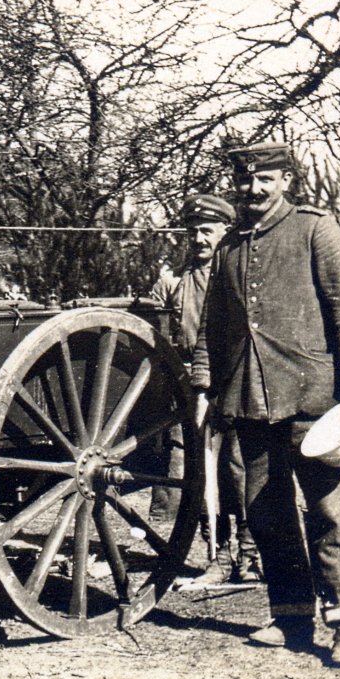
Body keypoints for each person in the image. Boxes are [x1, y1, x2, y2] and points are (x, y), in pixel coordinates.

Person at [192, 141, 340, 667]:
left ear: (286, 181)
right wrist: (206, 382)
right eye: (245, 180)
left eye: (265, 179)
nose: (253, 189)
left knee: (329, 510)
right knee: (267, 512)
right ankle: (291, 615)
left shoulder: (315, 228)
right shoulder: (229, 246)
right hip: (249, 398)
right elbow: (213, 324)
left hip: (311, 395)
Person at [150, 193, 261, 585]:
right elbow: (153, 320)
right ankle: (219, 555)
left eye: (207, 231)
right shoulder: (175, 281)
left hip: (235, 383)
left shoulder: (236, 273)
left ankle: (249, 556)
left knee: (239, 469)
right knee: (200, 471)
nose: (198, 238)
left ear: (224, 232)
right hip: (190, 388)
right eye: (193, 231)